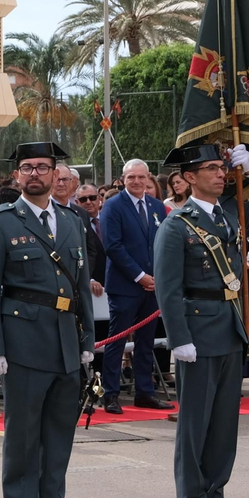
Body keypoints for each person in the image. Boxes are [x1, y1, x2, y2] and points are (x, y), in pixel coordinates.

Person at [0, 143, 97, 498]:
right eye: (26, 167)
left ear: (55, 173)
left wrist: (85, 340)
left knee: (59, 430)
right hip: (23, 338)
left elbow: (80, 285)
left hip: (64, 336)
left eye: (42, 168)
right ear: (16, 176)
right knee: (24, 433)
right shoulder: (1, 222)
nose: (34, 174)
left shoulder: (71, 219)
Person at [156, 143, 249, 498]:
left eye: (222, 167)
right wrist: (180, 338)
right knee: (196, 421)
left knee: (225, 420)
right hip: (198, 328)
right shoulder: (176, 225)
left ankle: (216, 493)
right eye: (210, 168)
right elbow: (168, 287)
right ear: (188, 178)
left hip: (230, 325)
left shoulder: (231, 212)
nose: (220, 174)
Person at [98, 159, 175, 413]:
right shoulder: (112, 206)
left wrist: (158, 277)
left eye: (141, 177)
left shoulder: (155, 206)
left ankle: (145, 392)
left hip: (153, 286)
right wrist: (140, 275)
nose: (137, 182)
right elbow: (113, 246)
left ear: (148, 178)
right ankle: (110, 394)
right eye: (131, 177)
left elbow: (162, 243)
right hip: (125, 285)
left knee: (146, 341)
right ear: (123, 179)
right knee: (117, 340)